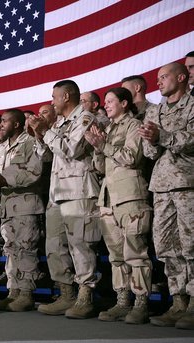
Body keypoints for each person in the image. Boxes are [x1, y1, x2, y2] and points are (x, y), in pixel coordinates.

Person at [28, 80, 101, 319]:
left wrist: (46, 132)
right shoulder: (60, 123)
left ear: (66, 96)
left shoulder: (86, 118)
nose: (52, 102)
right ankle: (66, 293)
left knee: (80, 245)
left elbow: (72, 150)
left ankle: (85, 296)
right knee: (54, 247)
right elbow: (48, 156)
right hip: (57, 193)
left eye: (54, 97)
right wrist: (39, 135)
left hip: (78, 191)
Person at [85, 87, 152, 324]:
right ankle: (122, 302)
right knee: (116, 255)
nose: (107, 104)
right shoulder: (108, 129)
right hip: (108, 198)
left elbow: (132, 157)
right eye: (106, 101)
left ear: (124, 103)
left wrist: (103, 146)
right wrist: (96, 147)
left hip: (130, 195)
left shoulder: (134, 125)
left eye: (111, 100)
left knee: (135, 252)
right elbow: (101, 168)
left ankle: (141, 302)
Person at [138, 62, 194, 329]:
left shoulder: (192, 104)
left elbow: (191, 139)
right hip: (160, 186)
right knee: (166, 246)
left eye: (164, 77)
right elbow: (150, 154)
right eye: (157, 78)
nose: (158, 82)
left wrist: (163, 136)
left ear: (181, 78)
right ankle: (178, 300)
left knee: (191, 244)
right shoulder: (155, 110)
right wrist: (151, 141)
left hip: (186, 183)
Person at [0, 109, 44, 312]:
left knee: (25, 250)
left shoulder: (29, 141)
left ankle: (26, 293)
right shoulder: (1, 148)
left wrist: (4, 179)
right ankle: (13, 291)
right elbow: (0, 173)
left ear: (16, 124)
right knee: (11, 250)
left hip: (26, 204)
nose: (0, 125)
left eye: (5, 121)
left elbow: (35, 172)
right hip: (7, 206)